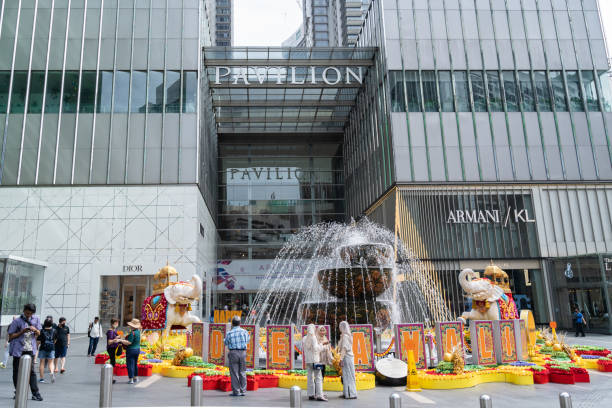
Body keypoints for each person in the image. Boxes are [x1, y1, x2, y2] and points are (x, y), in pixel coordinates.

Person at [7, 304, 43, 401]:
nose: (28, 315)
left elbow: (39, 333)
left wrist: (35, 330)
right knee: (17, 371)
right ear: (24, 310)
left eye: (30, 314)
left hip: (30, 349)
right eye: (27, 313)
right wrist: (22, 332)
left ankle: (36, 393)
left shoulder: (36, 319)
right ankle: (17, 391)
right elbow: (10, 336)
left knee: (31, 372)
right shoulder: (17, 321)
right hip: (18, 349)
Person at [224, 316, 250, 397]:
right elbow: (247, 340)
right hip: (242, 353)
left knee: (234, 373)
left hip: (233, 353)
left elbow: (226, 343)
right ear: (240, 323)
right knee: (242, 372)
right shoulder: (245, 332)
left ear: (232, 323)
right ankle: (243, 391)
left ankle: (236, 391)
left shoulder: (229, 333)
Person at [303, 324, 326, 401]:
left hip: (308, 361)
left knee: (310, 377)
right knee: (318, 378)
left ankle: (311, 394)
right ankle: (319, 395)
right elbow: (316, 349)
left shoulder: (304, 338)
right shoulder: (313, 338)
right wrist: (322, 345)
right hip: (315, 361)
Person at [338, 321, 357, 399]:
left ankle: (350, 394)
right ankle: (347, 392)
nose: (339, 328)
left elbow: (344, 349)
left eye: (340, 327)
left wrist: (341, 359)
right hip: (348, 357)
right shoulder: (345, 335)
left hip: (346, 357)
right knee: (346, 375)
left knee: (348, 375)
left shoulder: (345, 336)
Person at [119, 318, 141, 384]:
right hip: (137, 349)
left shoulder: (133, 333)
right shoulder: (138, 332)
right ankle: (136, 377)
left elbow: (129, 342)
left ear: (132, 326)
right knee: (135, 364)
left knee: (130, 364)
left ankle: (131, 379)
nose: (130, 326)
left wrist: (121, 340)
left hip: (131, 350)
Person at [37, 318, 57, 384]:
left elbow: (39, 341)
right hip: (51, 348)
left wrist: (37, 347)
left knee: (42, 363)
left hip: (43, 348)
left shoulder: (41, 331)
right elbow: (55, 341)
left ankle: (42, 378)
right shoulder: (54, 331)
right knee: (51, 362)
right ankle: (51, 373)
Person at [106, 319, 122, 384]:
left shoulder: (113, 330)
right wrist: (115, 339)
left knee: (112, 363)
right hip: (111, 349)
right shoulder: (111, 331)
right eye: (117, 323)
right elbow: (109, 342)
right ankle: (111, 378)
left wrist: (117, 337)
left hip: (113, 348)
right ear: (114, 323)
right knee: (112, 363)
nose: (117, 324)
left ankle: (111, 378)